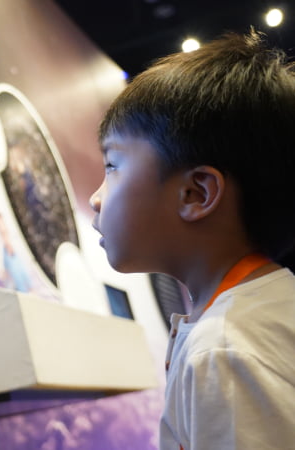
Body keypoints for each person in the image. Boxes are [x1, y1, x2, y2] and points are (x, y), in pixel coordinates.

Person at [89, 30, 295, 449]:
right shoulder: (266, 309)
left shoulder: (224, 349)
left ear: (196, 194)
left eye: (112, 165)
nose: (94, 198)